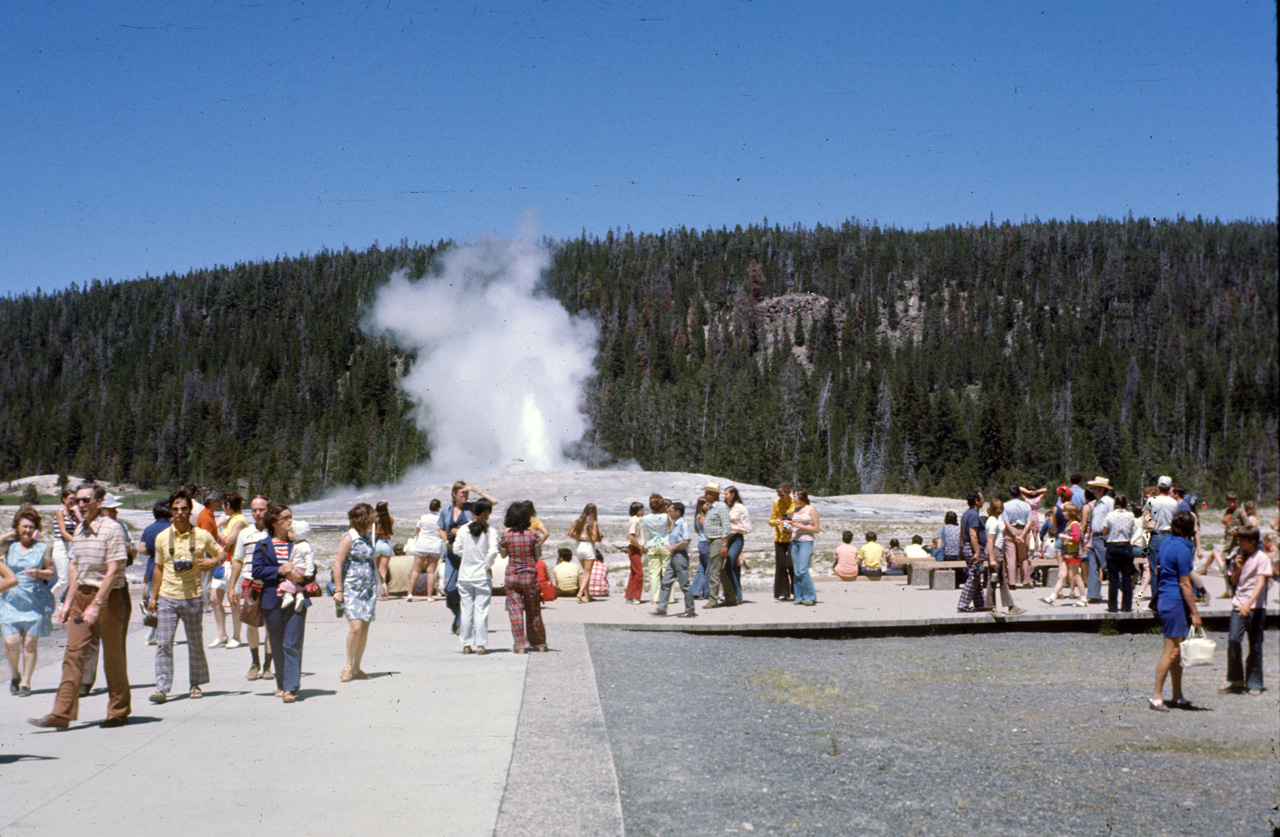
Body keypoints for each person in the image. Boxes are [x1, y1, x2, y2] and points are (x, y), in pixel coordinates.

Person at [29, 483, 132, 730]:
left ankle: (118, 710)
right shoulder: (81, 531)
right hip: (82, 597)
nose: (81, 505)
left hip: (110, 598)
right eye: (77, 501)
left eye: (86, 501)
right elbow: (74, 566)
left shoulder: (112, 529)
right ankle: (61, 713)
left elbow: (114, 568)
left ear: (99, 502)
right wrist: (68, 600)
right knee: (72, 653)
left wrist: (97, 603)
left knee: (113, 656)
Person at [145, 491, 221, 704]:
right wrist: (153, 597)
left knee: (195, 642)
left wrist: (213, 562)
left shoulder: (201, 535)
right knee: (163, 643)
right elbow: (158, 568)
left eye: (184, 509)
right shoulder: (162, 538)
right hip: (168, 598)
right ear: (171, 511)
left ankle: (195, 683)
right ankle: (161, 687)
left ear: (190, 511)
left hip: (193, 597)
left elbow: (221, 553)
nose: (179, 513)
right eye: (176, 509)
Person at [253, 503, 310, 703]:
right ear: (274, 521)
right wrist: (279, 570)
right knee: (276, 643)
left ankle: (290, 688)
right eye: (285, 517)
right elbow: (257, 571)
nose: (290, 521)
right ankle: (281, 683)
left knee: (292, 643)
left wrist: (302, 577)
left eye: (291, 517)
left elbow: (311, 569)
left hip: (296, 600)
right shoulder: (263, 545)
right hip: (272, 600)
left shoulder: (299, 543)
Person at [1150, 510, 1201, 711]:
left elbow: (1157, 571)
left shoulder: (1165, 544)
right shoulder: (1183, 548)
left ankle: (1177, 695)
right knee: (1170, 651)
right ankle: (1156, 696)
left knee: (1177, 651)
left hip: (1164, 598)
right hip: (1175, 602)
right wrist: (1195, 612)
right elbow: (1185, 584)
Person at [2, 506, 56, 697]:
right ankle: (15, 674)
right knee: (11, 641)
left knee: (30, 643)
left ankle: (26, 682)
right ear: (17, 527)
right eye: (24, 526)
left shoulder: (43, 548)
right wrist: (9, 534)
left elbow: (51, 571)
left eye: (31, 527)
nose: (27, 531)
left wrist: (39, 573)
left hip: (35, 600)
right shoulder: (10, 547)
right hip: (11, 600)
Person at [439, 482, 498, 634]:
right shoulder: (446, 511)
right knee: (449, 587)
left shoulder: (472, 507)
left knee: (464, 587)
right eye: (462, 494)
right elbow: (441, 528)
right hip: (452, 552)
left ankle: (461, 622)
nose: (465, 496)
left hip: (469, 553)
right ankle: (461, 614)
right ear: (454, 494)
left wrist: (475, 490)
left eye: (466, 493)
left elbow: (494, 502)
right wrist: (446, 539)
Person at [1221, 526, 1270, 695]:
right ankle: (1236, 678)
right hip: (1238, 603)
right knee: (1233, 640)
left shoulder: (1262, 558)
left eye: (1242, 540)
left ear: (1253, 542)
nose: (1239, 542)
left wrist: (1249, 604)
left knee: (1255, 644)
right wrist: (1238, 568)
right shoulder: (1238, 557)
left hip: (1255, 607)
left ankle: (1254, 681)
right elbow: (1234, 582)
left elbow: (1261, 583)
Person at [333, 503, 379, 682]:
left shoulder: (367, 537)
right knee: (356, 627)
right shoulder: (348, 538)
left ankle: (358, 667)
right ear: (363, 519)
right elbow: (337, 564)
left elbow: (371, 562)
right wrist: (339, 590)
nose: (374, 521)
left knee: (365, 627)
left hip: (368, 588)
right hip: (352, 587)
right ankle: (348, 665)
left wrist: (381, 583)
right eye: (371, 518)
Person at [229, 495, 271, 680]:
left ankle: (268, 665)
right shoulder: (245, 533)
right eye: (254, 510)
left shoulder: (275, 531)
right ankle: (255, 662)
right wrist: (232, 587)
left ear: (268, 509)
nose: (258, 513)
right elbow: (237, 561)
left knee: (271, 625)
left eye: (261, 509)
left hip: (271, 584)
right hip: (251, 584)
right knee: (252, 625)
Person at [499, 501, 546, 653]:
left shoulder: (506, 536)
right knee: (533, 610)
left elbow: (503, 554)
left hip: (512, 575)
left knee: (515, 610)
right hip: (529, 575)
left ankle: (520, 644)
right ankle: (539, 643)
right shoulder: (532, 535)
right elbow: (538, 554)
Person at [454, 499, 498, 655]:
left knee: (466, 610)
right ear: (488, 514)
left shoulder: (463, 529)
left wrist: (466, 557)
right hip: (481, 575)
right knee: (481, 611)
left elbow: (456, 549)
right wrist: (487, 565)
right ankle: (480, 644)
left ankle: (466, 644)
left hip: (465, 575)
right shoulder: (490, 531)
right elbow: (493, 551)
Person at [209, 492, 245, 648]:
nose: (222, 507)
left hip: (234, 563)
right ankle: (221, 634)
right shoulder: (228, 520)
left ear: (228, 505)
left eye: (223, 504)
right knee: (214, 598)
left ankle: (236, 636)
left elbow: (228, 540)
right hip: (222, 562)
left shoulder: (240, 520)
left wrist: (215, 526)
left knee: (233, 601)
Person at [653, 501, 695, 617]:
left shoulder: (683, 524)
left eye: (670, 511)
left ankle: (690, 609)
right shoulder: (675, 523)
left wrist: (674, 546)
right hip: (674, 555)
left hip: (680, 555)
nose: (669, 513)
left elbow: (686, 540)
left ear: (678, 512)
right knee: (666, 581)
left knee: (684, 583)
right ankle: (662, 608)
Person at [138, 500, 171, 645]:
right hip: (169, 569)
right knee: (167, 603)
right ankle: (163, 635)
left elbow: (141, 550)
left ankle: (150, 635)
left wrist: (154, 552)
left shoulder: (148, 529)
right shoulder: (173, 528)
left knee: (153, 600)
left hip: (152, 567)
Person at [984, 498, 1025, 616]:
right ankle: (990, 607)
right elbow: (990, 541)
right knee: (993, 580)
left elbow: (1000, 531)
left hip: (998, 552)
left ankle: (1010, 605)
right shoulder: (992, 522)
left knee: (1003, 580)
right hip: (995, 552)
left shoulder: (995, 520)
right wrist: (992, 558)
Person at [1102, 493, 1137, 613]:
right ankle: (1126, 606)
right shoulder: (1130, 515)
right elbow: (1133, 528)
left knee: (1113, 578)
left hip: (1113, 546)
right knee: (1127, 577)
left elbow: (1105, 532)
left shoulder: (1110, 515)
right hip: (1126, 546)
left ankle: (1113, 606)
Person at [702, 482, 734, 608]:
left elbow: (726, 526)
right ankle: (731, 597)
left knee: (714, 571)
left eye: (708, 493)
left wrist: (724, 544)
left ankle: (713, 600)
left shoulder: (721, 506)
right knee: (719, 570)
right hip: (711, 540)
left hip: (717, 540)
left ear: (714, 494)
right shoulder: (712, 507)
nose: (705, 495)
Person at [1084, 477, 1114, 603]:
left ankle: (1125, 586)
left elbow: (1112, 520)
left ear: (1101, 489)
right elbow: (1093, 522)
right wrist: (1090, 539)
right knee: (1093, 566)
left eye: (1095, 488)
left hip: (1103, 537)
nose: (1092, 490)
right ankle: (1093, 594)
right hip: (1095, 536)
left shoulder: (1108, 502)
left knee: (1106, 565)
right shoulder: (1097, 502)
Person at [408, 499, 444, 602]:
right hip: (435, 546)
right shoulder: (441, 518)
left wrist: (420, 536)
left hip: (422, 545)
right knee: (431, 571)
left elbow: (417, 529)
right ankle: (429, 596)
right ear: (439, 508)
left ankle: (410, 593)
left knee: (416, 570)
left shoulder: (423, 517)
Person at [788, 489, 819, 606]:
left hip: (806, 542)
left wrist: (799, 525)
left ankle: (810, 596)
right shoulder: (796, 510)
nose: (793, 499)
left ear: (801, 497)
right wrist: (786, 525)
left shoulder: (812, 510)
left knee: (803, 570)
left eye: (795, 496)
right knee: (796, 571)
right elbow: (793, 527)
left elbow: (816, 529)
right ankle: (798, 596)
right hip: (794, 542)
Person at [958, 489, 986, 612]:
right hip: (974, 548)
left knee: (976, 575)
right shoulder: (974, 515)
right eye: (982, 499)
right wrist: (977, 552)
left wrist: (964, 547)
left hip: (968, 547)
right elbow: (973, 534)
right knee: (973, 577)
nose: (983, 501)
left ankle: (980, 604)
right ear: (976, 501)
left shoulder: (966, 514)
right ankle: (963, 604)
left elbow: (961, 534)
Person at [1000, 485, 1033, 587]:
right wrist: (1021, 535)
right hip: (1023, 529)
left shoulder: (1005, 505)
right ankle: (1026, 581)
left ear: (1010, 494)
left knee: (1011, 557)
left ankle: (1012, 582)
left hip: (1011, 531)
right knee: (1023, 557)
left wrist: (1014, 535)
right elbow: (1029, 522)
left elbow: (1006, 523)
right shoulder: (1026, 505)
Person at [279, 520, 315, 612]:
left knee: (289, 580)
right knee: (297, 583)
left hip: (299, 568)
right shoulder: (299, 544)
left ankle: (288, 595)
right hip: (300, 569)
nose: (289, 533)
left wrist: (309, 571)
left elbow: (309, 559)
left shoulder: (304, 546)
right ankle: (299, 596)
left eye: (291, 532)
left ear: (298, 534)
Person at [567, 504, 600, 603]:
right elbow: (594, 538)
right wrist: (599, 538)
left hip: (579, 546)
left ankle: (587, 596)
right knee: (587, 573)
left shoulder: (578, 521)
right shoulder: (593, 523)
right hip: (588, 546)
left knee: (585, 573)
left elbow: (570, 533)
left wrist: (577, 537)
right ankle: (580, 593)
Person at [49, 488, 77, 605]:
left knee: (72, 579)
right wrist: (77, 541)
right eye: (71, 499)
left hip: (71, 546)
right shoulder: (59, 512)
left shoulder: (74, 514)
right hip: (61, 545)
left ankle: (62, 603)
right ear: (64, 499)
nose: (73, 501)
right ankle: (46, 599)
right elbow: (63, 532)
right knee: (63, 580)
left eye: (74, 499)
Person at [724, 486, 751, 604]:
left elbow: (747, 528)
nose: (724, 496)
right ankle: (731, 595)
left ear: (733, 494)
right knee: (732, 568)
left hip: (736, 539)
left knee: (728, 565)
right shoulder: (725, 507)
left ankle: (735, 595)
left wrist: (733, 527)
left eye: (726, 494)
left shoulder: (741, 508)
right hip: (725, 539)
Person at [768, 482, 795, 601]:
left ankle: (796, 590)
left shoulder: (795, 503)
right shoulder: (776, 503)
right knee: (781, 565)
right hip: (779, 537)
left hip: (792, 537)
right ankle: (782, 592)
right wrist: (775, 522)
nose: (781, 497)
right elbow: (771, 519)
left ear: (788, 493)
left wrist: (790, 523)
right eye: (779, 495)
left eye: (783, 494)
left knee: (791, 564)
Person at [624, 501, 646, 604]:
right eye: (641, 509)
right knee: (639, 573)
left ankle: (629, 595)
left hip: (635, 547)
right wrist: (639, 547)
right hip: (634, 547)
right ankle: (636, 596)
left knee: (634, 572)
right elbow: (631, 536)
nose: (643, 511)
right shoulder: (634, 521)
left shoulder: (636, 520)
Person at [373, 501, 394, 600]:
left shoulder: (375, 520)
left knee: (376, 569)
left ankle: (379, 591)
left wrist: (375, 509)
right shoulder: (390, 519)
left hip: (377, 542)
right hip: (386, 542)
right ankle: (384, 591)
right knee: (383, 570)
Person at [690, 497, 711, 599]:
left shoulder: (699, 516)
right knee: (709, 568)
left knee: (702, 567)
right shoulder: (702, 517)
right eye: (707, 505)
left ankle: (695, 590)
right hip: (706, 543)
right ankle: (707, 591)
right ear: (701, 506)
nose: (709, 506)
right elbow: (709, 528)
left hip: (701, 543)